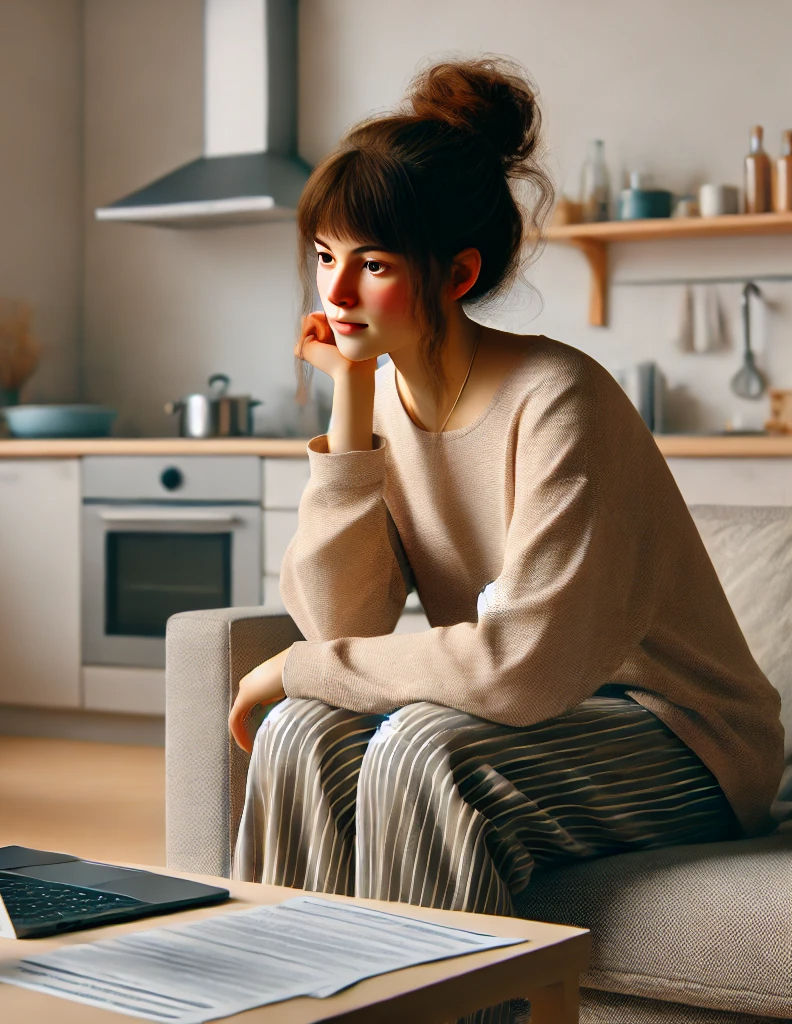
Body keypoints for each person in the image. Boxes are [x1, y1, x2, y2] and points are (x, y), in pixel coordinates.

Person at [226, 57, 784, 1024]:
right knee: (299, 730)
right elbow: (338, 623)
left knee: (421, 751)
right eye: (324, 255)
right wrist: (349, 406)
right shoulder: (384, 404)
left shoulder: (558, 400)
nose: (337, 289)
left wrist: (299, 667)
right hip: (531, 717)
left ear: (458, 274)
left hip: (682, 737)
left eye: (374, 264)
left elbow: (521, 667)